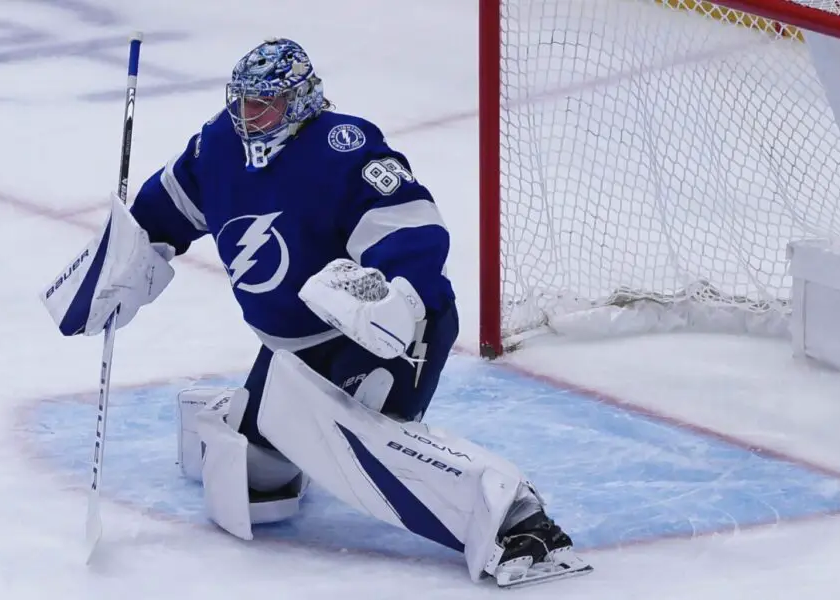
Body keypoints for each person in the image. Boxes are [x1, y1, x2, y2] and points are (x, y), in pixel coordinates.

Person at [41, 38, 590, 588]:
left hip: (386, 334)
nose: (248, 118)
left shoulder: (343, 147)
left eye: (264, 105)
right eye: (241, 103)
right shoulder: (217, 148)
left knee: (350, 439)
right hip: (293, 346)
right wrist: (114, 272)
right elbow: (159, 216)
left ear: (301, 100)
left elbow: (412, 227)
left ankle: (512, 519)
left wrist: (397, 298)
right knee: (255, 489)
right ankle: (237, 414)